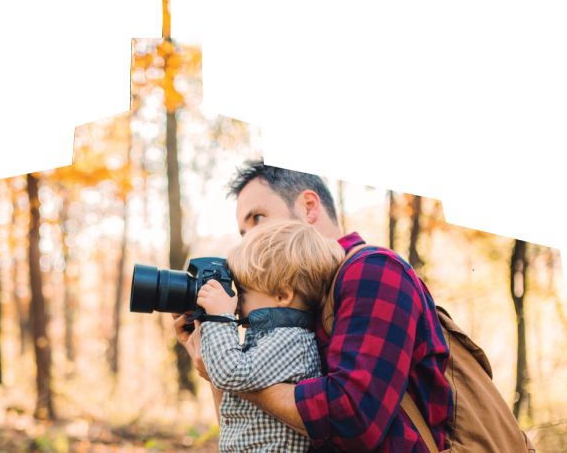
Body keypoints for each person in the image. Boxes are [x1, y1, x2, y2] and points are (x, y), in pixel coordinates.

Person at [172, 160, 454, 453]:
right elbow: (246, 435)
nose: (251, 239)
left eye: (257, 218)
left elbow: (353, 418)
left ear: (309, 207)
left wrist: (230, 371)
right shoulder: (288, 306)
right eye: (244, 233)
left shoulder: (373, 270)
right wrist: (213, 360)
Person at [193, 218, 344, 452]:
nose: (236, 303)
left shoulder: (291, 339)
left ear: (282, 296)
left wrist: (220, 317)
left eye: (242, 292)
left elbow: (231, 374)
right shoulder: (271, 336)